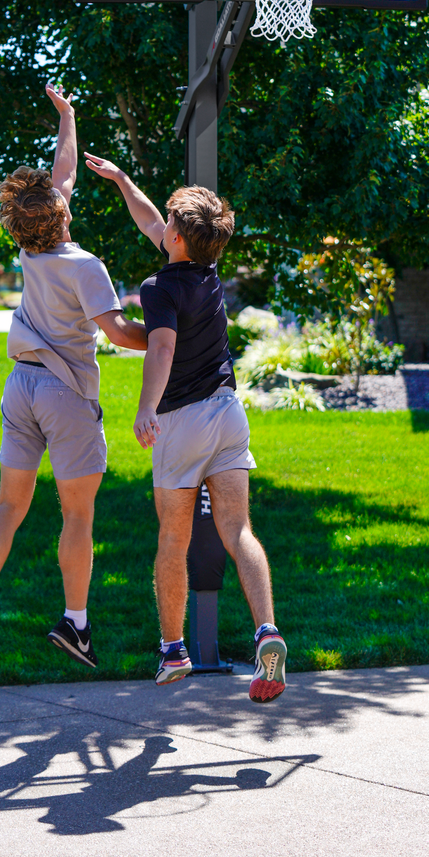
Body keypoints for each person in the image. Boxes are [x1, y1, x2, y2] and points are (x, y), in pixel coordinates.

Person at [84, 153, 287, 703]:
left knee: (173, 537)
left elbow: (160, 348)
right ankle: (267, 630)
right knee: (238, 529)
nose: (163, 225)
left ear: (177, 238)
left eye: (169, 222)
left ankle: (174, 650)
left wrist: (145, 407)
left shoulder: (159, 288)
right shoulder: (206, 269)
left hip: (183, 420)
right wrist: (122, 180)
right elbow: (152, 220)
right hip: (229, 413)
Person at [0, 84, 147, 668]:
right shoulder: (85, 266)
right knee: (77, 514)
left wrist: (67, 117)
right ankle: (75, 623)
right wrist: (170, 335)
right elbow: (120, 334)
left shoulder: (29, 250)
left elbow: (61, 175)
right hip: (66, 393)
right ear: (62, 216)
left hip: (21, 386)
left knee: (8, 506)